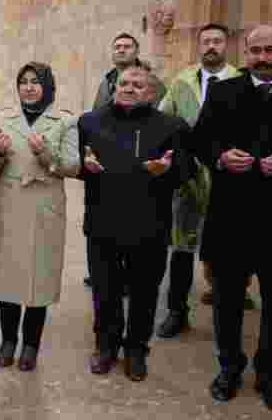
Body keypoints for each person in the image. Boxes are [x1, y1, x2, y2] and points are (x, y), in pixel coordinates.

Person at [193, 25, 272, 417]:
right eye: (254, 50)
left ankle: (268, 375)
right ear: (244, 52)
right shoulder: (224, 91)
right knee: (227, 301)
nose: (262, 58)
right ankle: (230, 369)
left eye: (270, 50)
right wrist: (219, 157)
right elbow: (199, 140)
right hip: (232, 218)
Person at [78, 62, 194, 381]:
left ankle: (136, 350)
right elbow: (78, 165)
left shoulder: (172, 127)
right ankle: (105, 346)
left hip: (150, 226)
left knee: (144, 292)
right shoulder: (90, 122)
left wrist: (166, 171)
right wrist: (84, 166)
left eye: (138, 85)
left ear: (152, 92)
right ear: (115, 87)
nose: (129, 88)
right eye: (124, 83)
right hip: (103, 222)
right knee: (105, 291)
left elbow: (187, 172)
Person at [0, 62, 79, 371]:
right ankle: (8, 340)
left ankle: (30, 344)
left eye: (35, 82)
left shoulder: (65, 121)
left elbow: (73, 166)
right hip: (11, 201)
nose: (28, 87)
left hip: (45, 202)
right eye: (23, 82)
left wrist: (46, 155)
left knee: (40, 273)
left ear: (47, 86)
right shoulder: (3, 118)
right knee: (8, 273)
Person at [156, 23, 242, 338]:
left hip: (229, 177)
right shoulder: (181, 81)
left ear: (227, 45)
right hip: (188, 176)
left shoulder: (240, 81)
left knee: (227, 249)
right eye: (206, 41)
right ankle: (177, 311)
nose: (211, 46)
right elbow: (164, 120)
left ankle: (227, 312)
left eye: (217, 41)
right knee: (181, 246)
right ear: (198, 45)